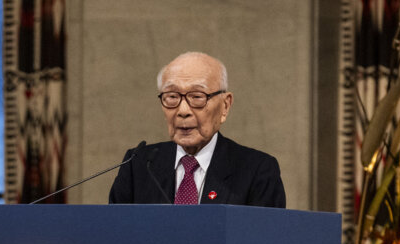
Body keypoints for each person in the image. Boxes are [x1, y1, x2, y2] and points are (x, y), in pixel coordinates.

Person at [108, 51, 285, 207]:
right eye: (172, 97)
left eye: (197, 97)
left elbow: (265, 240)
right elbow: (116, 236)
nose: (183, 111)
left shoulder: (257, 170)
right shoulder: (138, 164)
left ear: (225, 106)